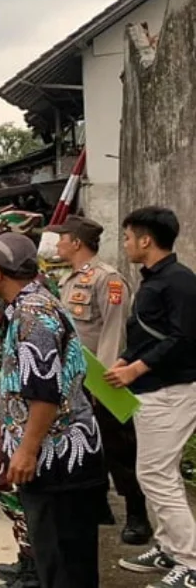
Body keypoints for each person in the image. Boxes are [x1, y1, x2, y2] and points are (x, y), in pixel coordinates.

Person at [0, 232, 108, 588]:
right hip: (53, 459)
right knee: (58, 559)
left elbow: (45, 393)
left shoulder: (33, 315)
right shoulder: (27, 305)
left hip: (57, 462)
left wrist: (27, 450)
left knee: (65, 563)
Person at [48, 214, 151, 545]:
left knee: (120, 449)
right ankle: (98, 506)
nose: (58, 243)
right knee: (88, 447)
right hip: (76, 378)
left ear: (76, 242)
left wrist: (104, 383)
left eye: (62, 238)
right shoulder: (69, 279)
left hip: (103, 381)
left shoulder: (108, 279)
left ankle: (137, 515)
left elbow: (114, 331)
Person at [106, 207, 196, 586]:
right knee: (158, 473)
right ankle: (169, 548)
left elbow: (183, 338)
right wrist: (125, 359)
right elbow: (148, 334)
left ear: (146, 240)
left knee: (155, 475)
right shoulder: (154, 280)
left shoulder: (179, 281)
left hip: (171, 390)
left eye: (127, 237)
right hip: (150, 391)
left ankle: (190, 561)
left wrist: (136, 368)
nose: (124, 244)